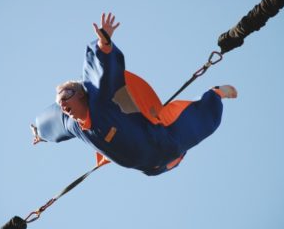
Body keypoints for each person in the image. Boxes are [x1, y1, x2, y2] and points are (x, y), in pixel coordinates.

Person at [32, 13, 237, 176]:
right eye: (59, 102)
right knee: (163, 164)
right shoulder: (73, 124)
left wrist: (103, 45)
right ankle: (172, 160)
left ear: (80, 94)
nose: (63, 104)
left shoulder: (98, 99)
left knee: (200, 121)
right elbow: (51, 122)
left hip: (162, 139)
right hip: (151, 167)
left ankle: (215, 94)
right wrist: (38, 132)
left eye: (66, 95)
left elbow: (99, 73)